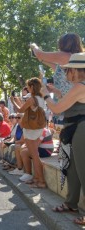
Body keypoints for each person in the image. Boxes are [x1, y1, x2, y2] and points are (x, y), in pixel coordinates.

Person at [41, 53, 85, 226]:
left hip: (80, 129)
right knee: (72, 168)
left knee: (82, 170)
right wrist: (56, 92)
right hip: (76, 129)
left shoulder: (79, 87)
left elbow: (58, 109)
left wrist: (45, 95)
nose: (65, 73)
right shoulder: (78, 86)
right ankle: (71, 203)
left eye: (67, 69)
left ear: (75, 70)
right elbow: (73, 101)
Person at [10, 77, 47, 189]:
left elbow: (20, 110)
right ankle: (36, 178)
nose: (27, 88)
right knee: (34, 154)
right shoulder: (41, 98)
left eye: (28, 86)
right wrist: (18, 102)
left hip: (31, 130)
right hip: (38, 128)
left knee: (34, 156)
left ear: (32, 87)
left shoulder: (32, 99)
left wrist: (13, 102)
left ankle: (41, 181)